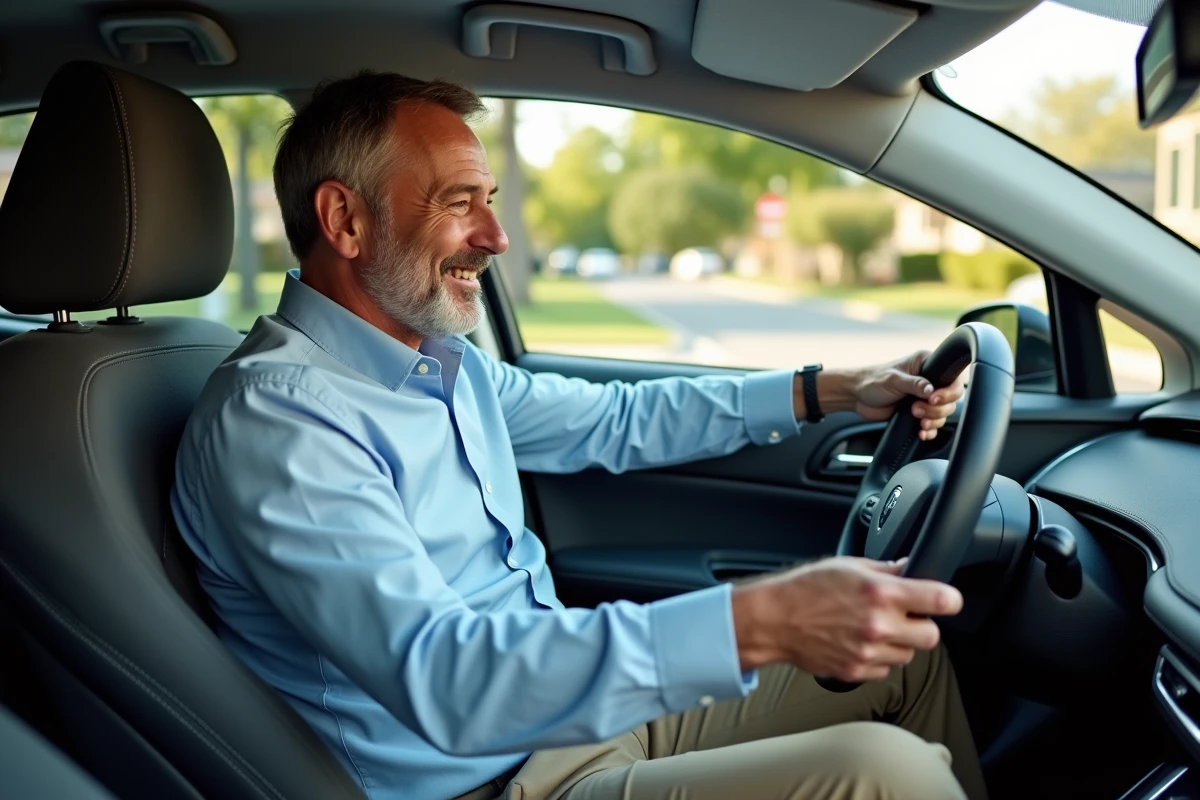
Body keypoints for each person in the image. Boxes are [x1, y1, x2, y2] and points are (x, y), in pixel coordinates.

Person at [171, 71, 983, 800]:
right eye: (459, 202)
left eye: (489, 198)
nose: (496, 236)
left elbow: (616, 419)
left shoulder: (443, 367)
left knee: (903, 654)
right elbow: (450, 679)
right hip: (492, 780)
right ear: (344, 220)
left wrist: (829, 389)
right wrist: (761, 620)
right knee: (887, 773)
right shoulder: (278, 420)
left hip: (568, 721)